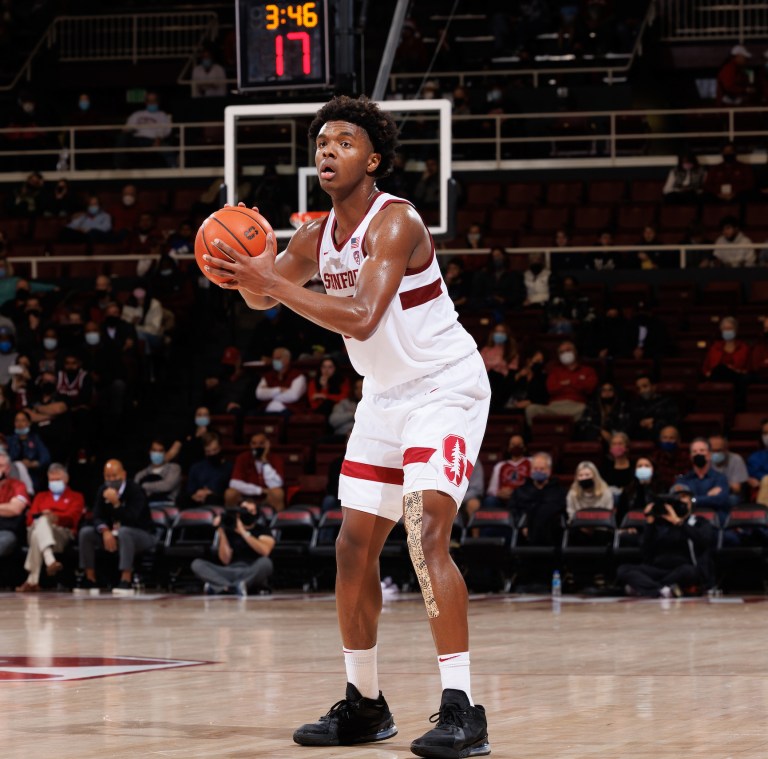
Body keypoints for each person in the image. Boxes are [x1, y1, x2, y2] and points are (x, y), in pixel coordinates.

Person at [201, 95, 492, 757]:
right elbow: (261, 293)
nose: (328, 150)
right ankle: (364, 703)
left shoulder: (398, 223)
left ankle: (463, 707)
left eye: (343, 141)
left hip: (445, 387)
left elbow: (360, 315)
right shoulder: (312, 234)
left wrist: (267, 282)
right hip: (385, 396)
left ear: (375, 159)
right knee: (352, 547)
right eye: (322, 141)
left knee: (425, 535)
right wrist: (244, 263)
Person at [615, 484, 715, 597]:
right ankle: (662, 590)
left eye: (683, 497)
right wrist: (650, 522)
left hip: (681, 569)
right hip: (657, 570)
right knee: (623, 570)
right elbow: (644, 550)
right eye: (677, 497)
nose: (680, 500)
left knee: (690, 572)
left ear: (691, 503)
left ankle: (647, 588)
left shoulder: (698, 522)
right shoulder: (660, 523)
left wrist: (678, 522)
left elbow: (704, 541)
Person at [76, 459, 155, 595]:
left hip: (141, 535)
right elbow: (96, 516)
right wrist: (105, 531)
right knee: (86, 532)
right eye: (108, 477)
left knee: (125, 532)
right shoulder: (103, 490)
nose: (111, 480)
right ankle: (90, 579)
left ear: (123, 475)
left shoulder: (135, 490)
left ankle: (126, 580)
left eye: (114, 476)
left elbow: (133, 519)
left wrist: (117, 504)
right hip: (114, 535)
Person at [16, 463, 84, 592]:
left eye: (57, 480)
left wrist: (55, 518)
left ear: (66, 479)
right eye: (51, 480)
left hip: (61, 534)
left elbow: (72, 519)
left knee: (39, 530)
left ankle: (32, 580)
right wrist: (44, 518)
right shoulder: (40, 496)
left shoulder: (76, 497)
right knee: (40, 522)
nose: (54, 483)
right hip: (36, 530)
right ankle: (50, 560)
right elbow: (30, 518)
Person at [190, 496, 275, 596]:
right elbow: (225, 560)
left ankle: (220, 586)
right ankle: (233, 587)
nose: (247, 513)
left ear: (256, 513)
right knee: (197, 564)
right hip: (229, 571)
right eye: (244, 510)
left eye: (251, 511)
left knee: (266, 563)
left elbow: (265, 551)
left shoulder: (263, 530)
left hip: (251, 570)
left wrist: (243, 532)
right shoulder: (230, 530)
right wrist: (221, 531)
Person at [524, 340, 598, 425]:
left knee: (586, 411)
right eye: (562, 352)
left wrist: (567, 383)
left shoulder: (587, 370)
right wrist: (576, 384)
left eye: (568, 350)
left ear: (575, 352)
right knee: (531, 409)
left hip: (576, 406)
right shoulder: (554, 371)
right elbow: (551, 389)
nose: (565, 354)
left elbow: (589, 388)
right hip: (554, 407)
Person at [510, 452, 567, 548]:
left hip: (552, 536)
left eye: (542, 469)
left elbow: (563, 514)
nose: (538, 471)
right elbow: (513, 511)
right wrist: (523, 525)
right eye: (535, 469)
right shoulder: (521, 491)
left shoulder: (560, 492)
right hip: (524, 534)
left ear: (549, 470)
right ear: (531, 470)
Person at [675, 438, 731, 524]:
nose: (698, 454)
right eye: (694, 451)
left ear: (709, 455)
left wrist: (692, 500)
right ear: (690, 456)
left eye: (702, 450)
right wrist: (708, 497)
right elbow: (679, 501)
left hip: (714, 522)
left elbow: (720, 500)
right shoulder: (683, 479)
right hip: (688, 522)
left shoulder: (720, 478)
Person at [225, 432, 285, 511]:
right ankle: (231, 521)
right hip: (246, 497)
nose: (257, 446)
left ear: (267, 444)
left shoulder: (276, 459)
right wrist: (260, 490)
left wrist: (264, 461)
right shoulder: (243, 458)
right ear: (250, 445)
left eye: (261, 443)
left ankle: (276, 522)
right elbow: (234, 483)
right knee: (230, 493)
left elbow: (276, 484)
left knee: (277, 493)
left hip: (267, 498)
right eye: (254, 443)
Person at [115, 91, 176, 168]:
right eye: (149, 101)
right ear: (146, 102)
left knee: (166, 148)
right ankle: (120, 167)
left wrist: (158, 139)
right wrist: (127, 131)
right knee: (122, 138)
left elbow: (166, 130)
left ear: (158, 102)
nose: (151, 103)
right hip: (136, 139)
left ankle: (174, 168)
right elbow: (128, 127)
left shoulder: (162, 115)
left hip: (153, 140)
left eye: (154, 101)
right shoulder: (137, 114)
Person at [255, 346, 307, 415]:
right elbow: (259, 394)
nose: (275, 361)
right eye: (273, 358)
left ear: (287, 360)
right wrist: (279, 390)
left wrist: (269, 393)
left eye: (278, 358)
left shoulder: (298, 376)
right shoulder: (268, 375)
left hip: (288, 411)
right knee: (251, 414)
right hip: (266, 409)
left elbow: (294, 396)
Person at [7, 409, 51, 492]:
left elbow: (46, 457)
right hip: (12, 477)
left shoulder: (35, 439)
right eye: (17, 421)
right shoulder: (9, 440)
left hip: (32, 477)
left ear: (29, 423)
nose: (20, 424)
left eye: (23, 420)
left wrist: (33, 464)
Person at [483, 435, 530, 510]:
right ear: (508, 447)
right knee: (489, 501)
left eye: (519, 444)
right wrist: (499, 493)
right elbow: (491, 490)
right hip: (503, 499)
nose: (516, 447)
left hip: (524, 498)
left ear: (524, 447)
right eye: (513, 444)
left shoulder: (531, 462)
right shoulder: (500, 466)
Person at [185, 431, 232, 507]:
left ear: (220, 448)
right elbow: (190, 489)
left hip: (217, 499)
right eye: (208, 451)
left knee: (212, 499)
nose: (212, 454)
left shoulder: (229, 467)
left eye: (215, 450)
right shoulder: (196, 467)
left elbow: (229, 491)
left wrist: (210, 492)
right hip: (198, 499)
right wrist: (197, 494)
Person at [628, 374, 680, 442]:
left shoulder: (666, 402)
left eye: (645, 386)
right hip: (640, 437)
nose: (642, 390)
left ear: (653, 386)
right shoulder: (635, 404)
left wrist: (655, 422)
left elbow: (674, 421)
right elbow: (631, 424)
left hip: (661, 437)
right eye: (639, 388)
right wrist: (640, 423)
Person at [0, 451, 31, 559]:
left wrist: (8, 508)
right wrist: (5, 507)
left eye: (0, 466)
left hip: (7, 531)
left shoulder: (18, 485)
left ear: (7, 469)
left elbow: (15, 509)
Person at [134, 439, 182, 504]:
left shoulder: (174, 468)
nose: (157, 453)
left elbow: (167, 486)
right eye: (154, 450)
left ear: (165, 452)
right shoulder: (141, 474)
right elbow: (136, 492)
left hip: (168, 506)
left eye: (160, 451)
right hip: (147, 507)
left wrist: (144, 485)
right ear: (149, 452)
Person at [709, 433, 749, 507]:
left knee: (732, 499)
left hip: (730, 495)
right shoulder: (706, 460)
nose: (715, 453)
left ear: (726, 449)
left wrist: (717, 485)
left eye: (718, 450)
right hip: (709, 494)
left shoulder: (736, 459)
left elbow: (737, 488)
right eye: (712, 451)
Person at [651, 425, 690, 491]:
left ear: (678, 440)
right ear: (660, 439)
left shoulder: (685, 458)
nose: (668, 441)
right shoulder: (655, 457)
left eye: (671, 438)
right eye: (665, 438)